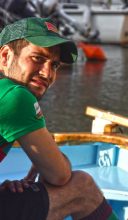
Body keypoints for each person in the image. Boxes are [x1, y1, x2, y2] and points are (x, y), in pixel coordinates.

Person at [0, 17, 118, 220]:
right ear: (5, 56)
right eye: (37, 58)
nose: (47, 73)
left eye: (54, 65)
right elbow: (59, 175)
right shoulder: (14, 96)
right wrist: (54, 155)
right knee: (82, 188)